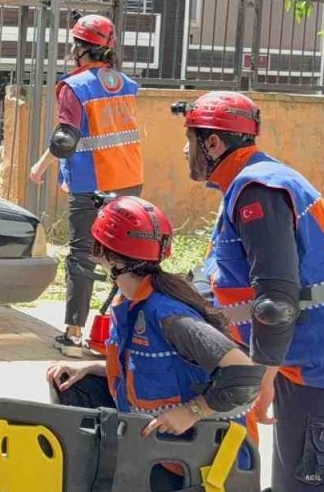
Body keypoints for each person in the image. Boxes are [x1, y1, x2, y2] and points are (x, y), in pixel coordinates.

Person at [176, 91, 324, 492]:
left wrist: (261, 377)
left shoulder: (258, 190)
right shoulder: (258, 180)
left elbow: (275, 305)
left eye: (189, 139)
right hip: (313, 366)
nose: (185, 151)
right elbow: (229, 276)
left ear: (212, 143)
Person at [46, 196, 262, 492]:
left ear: (103, 253)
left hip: (198, 463)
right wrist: (92, 368)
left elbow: (244, 374)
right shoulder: (130, 303)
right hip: (159, 446)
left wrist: (192, 412)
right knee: (71, 384)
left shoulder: (166, 313)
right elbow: (154, 369)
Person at [29, 14, 143, 357]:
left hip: (92, 183)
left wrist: (40, 166)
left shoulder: (75, 87)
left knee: (82, 256)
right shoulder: (127, 84)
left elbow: (66, 139)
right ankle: (121, 334)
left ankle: (74, 336)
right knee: (126, 256)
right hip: (130, 180)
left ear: (79, 48)